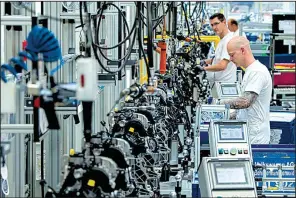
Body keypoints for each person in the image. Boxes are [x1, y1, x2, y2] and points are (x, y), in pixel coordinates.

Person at [221, 36, 272, 144]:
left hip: (256, 138)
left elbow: (245, 102)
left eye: (232, 55)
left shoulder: (257, 72)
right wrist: (225, 117)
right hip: (249, 133)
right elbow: (246, 109)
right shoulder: (250, 71)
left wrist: (219, 104)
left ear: (243, 50)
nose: (230, 59)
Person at [199, 13, 237, 87]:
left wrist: (204, 68)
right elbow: (218, 59)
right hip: (219, 85)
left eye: (216, 24)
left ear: (224, 22)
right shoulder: (222, 39)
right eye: (212, 25)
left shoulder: (228, 41)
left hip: (225, 86)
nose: (214, 27)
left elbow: (222, 65)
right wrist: (204, 61)